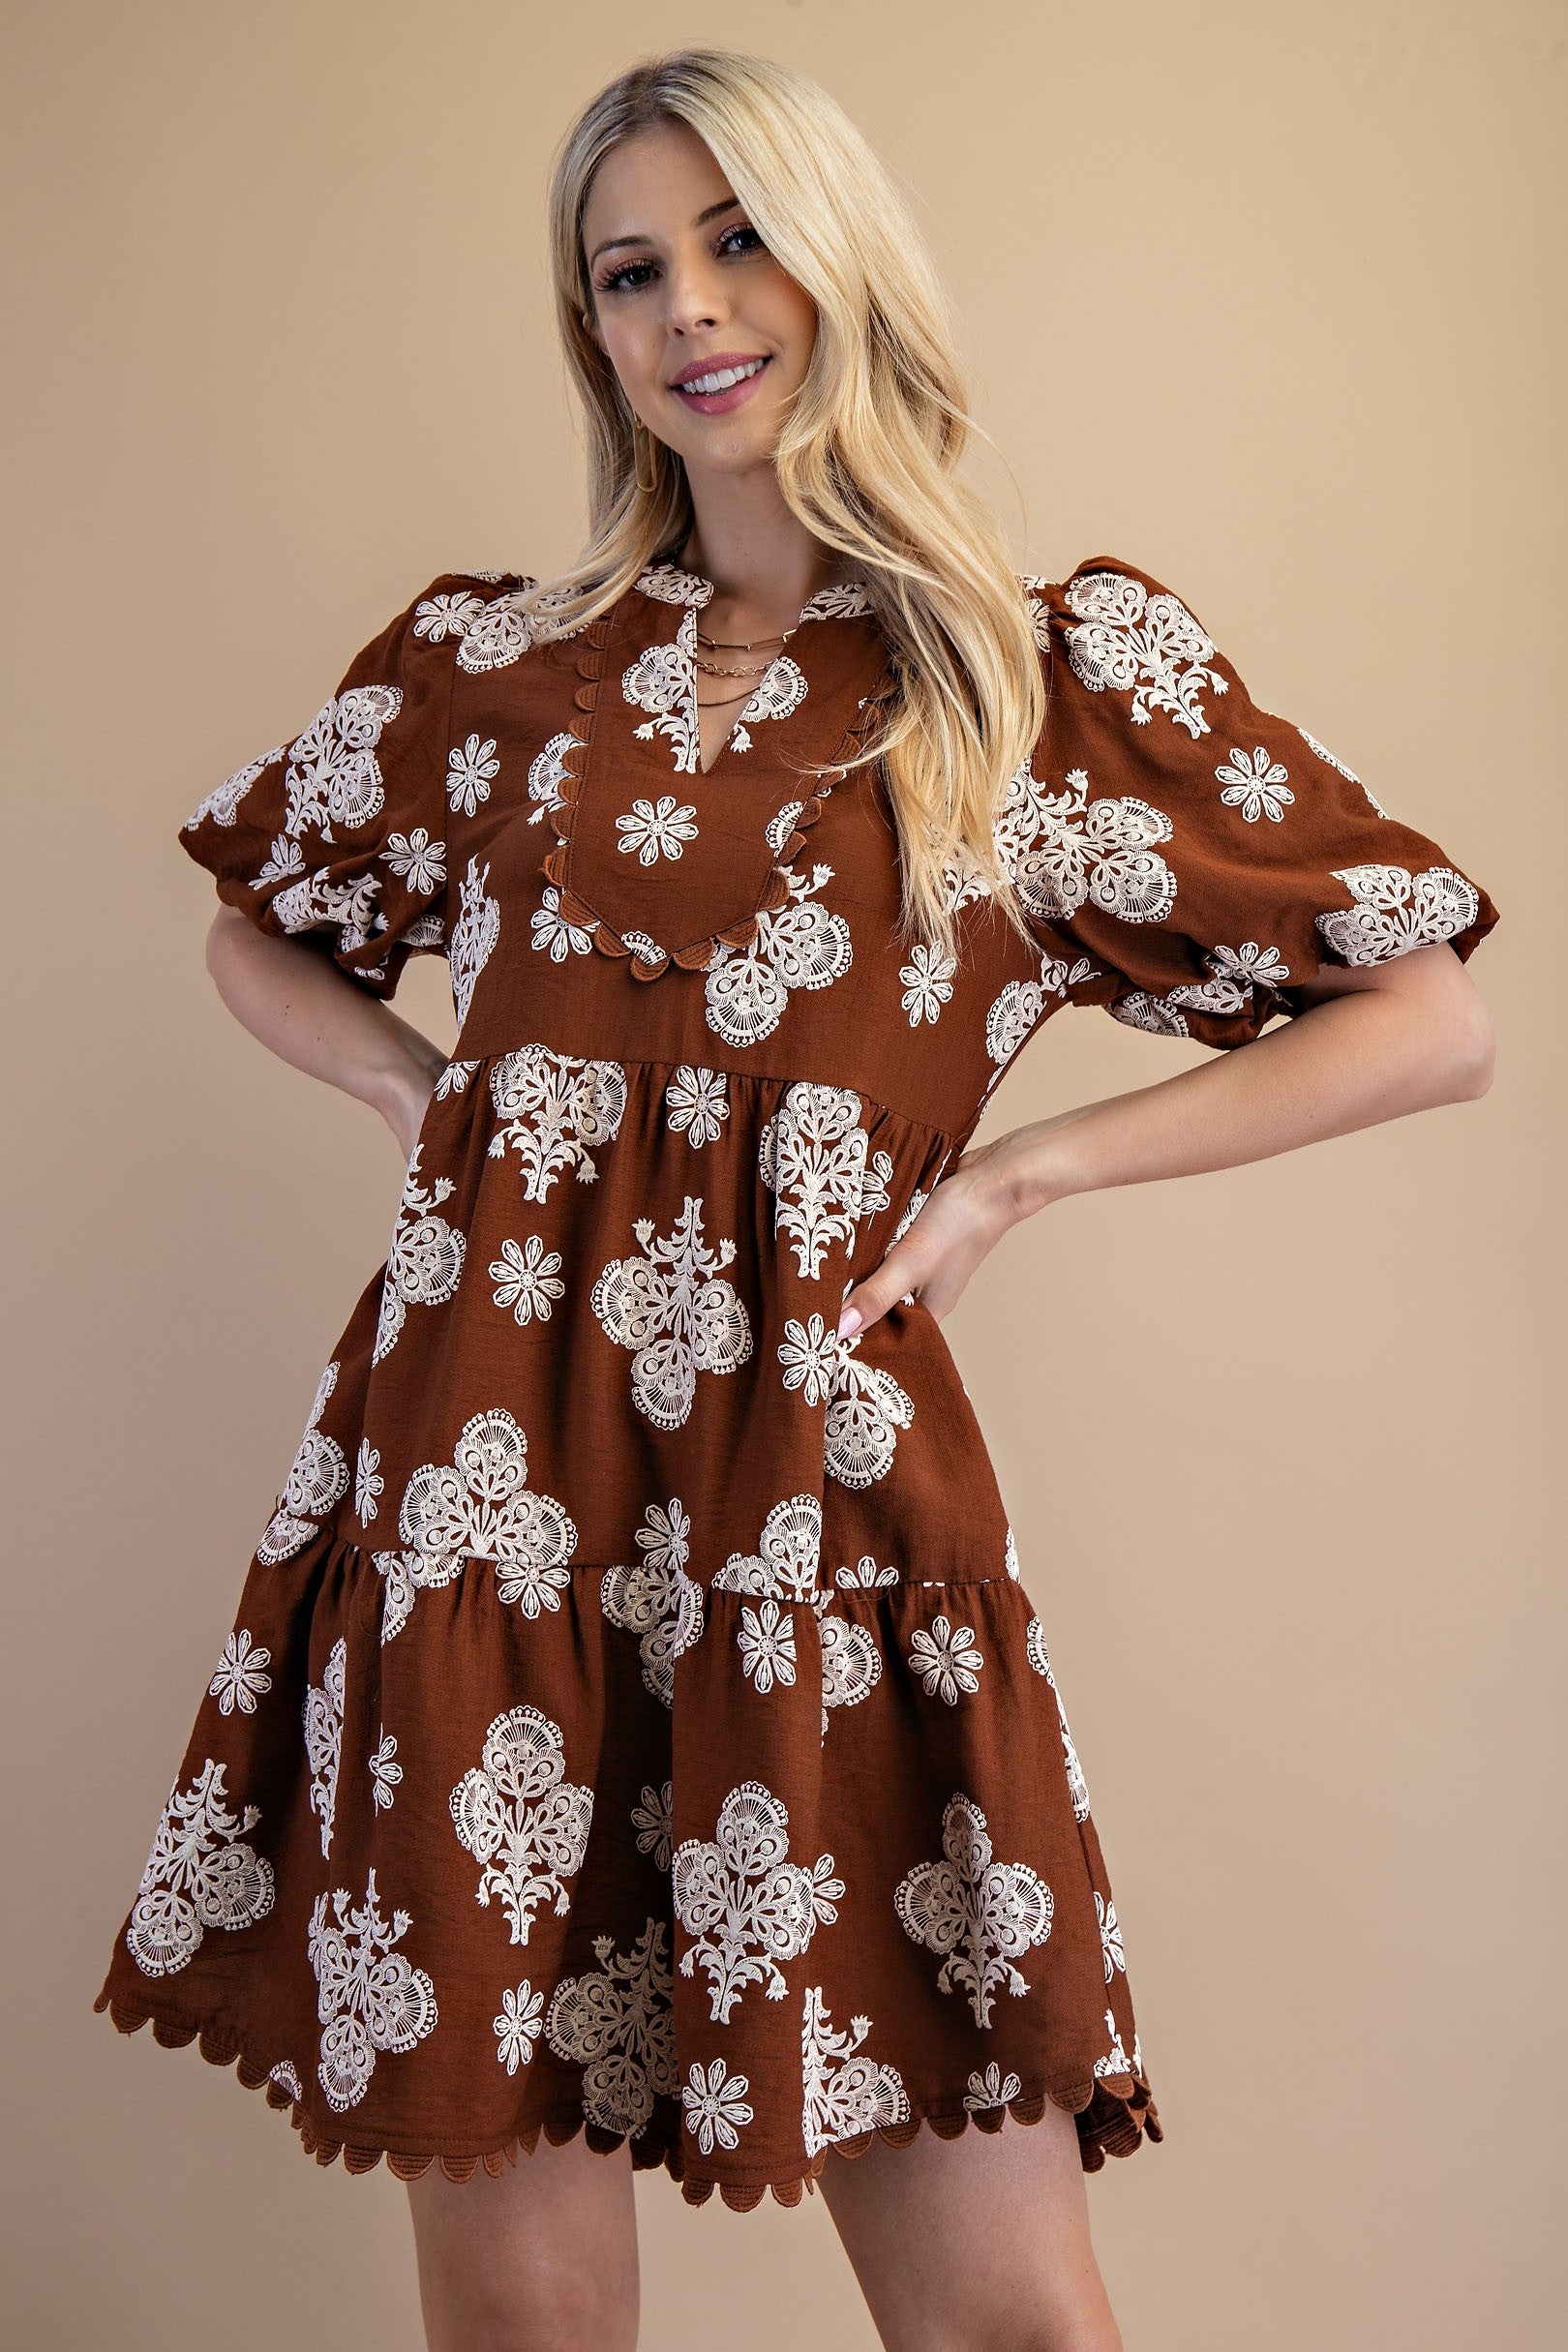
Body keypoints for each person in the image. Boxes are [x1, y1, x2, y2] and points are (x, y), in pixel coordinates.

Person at [90, 45, 1500, 2352]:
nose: (689, 309)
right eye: (628, 270)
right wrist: (420, 1099)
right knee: (529, 2332)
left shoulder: (1037, 686)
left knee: (1011, 2326)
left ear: (843, 261)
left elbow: (1427, 1016)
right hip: (480, 1506)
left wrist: (1025, 1177)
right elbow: (259, 917)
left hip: (805, 1520)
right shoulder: (507, 671)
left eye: (736, 239)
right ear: (595, 332)